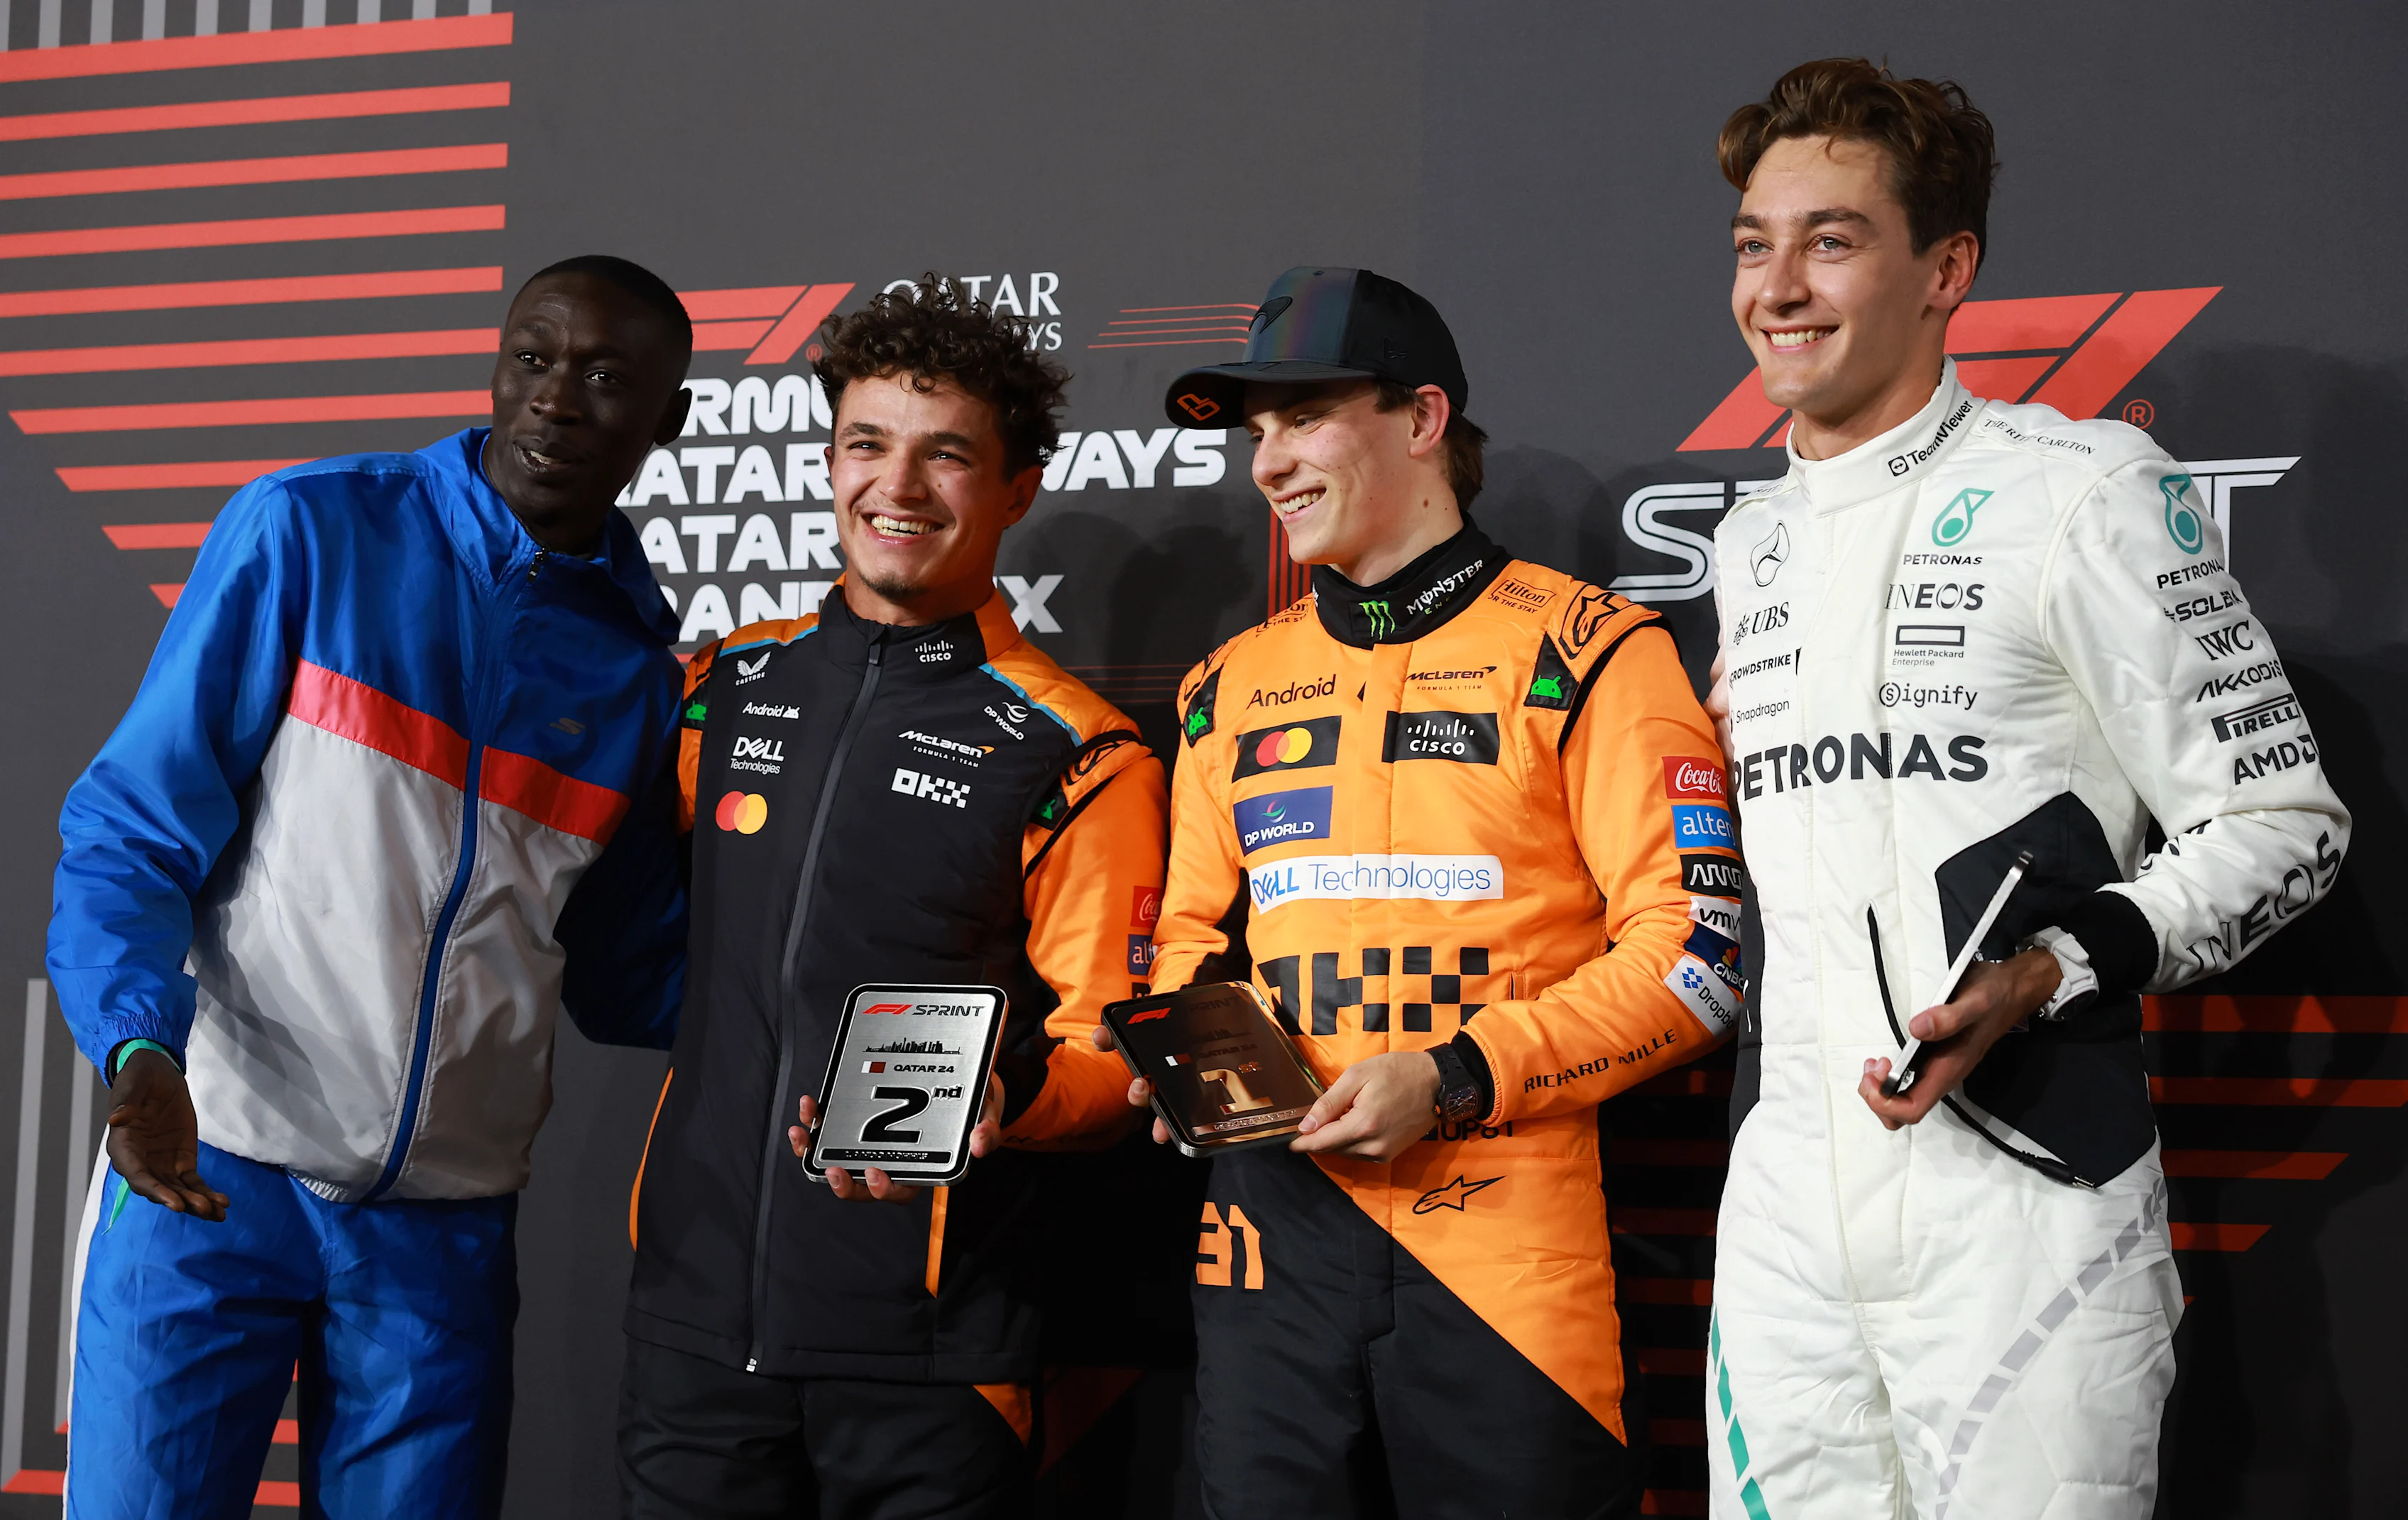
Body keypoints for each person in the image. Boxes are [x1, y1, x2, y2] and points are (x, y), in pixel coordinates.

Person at [1700, 60, 2352, 1519]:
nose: (1778, 288)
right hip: (1789, 1215)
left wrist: (2058, 962)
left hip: (2025, 1199)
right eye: (1755, 242)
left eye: (1831, 239)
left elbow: (2280, 824)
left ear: (1947, 269)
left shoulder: (2086, 490)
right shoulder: (1747, 544)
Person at [52, 255, 698, 1516]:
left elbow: (637, 977)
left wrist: (840, 1017)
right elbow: (133, 826)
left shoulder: (634, 668)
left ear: (666, 421)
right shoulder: (311, 528)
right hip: (210, 1169)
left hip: (442, 1230)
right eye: (532, 359)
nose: (554, 402)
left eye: (607, 379)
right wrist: (138, 1050)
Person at [1124, 266, 1741, 1519]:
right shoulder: (1223, 687)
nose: (1269, 464)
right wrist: (1185, 1058)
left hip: (1504, 1259)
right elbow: (1185, 942)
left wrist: (1456, 1074)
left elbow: (1699, 957)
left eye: (1303, 418)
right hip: (1266, 1259)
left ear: (1420, 421)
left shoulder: (1594, 651)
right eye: (1256, 434)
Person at [616, 275, 1169, 1519]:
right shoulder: (720, 691)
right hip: (691, 1336)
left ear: (1018, 487)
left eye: (947, 456)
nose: (897, 488)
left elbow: (1109, 1053)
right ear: (827, 458)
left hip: (929, 1355)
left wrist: (1005, 1096)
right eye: (867, 444)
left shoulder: (1079, 755)